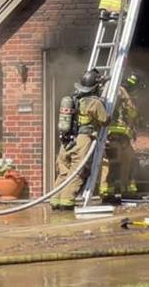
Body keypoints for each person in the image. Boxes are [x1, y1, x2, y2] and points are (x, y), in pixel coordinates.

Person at [50, 69, 108, 210]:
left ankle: (55, 200)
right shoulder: (94, 103)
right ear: (96, 87)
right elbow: (104, 120)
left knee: (64, 171)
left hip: (66, 140)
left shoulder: (73, 99)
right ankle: (66, 202)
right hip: (82, 140)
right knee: (78, 171)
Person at [99, 72, 143, 199]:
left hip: (115, 136)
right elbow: (132, 111)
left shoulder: (111, 90)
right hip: (115, 136)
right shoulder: (120, 91)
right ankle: (109, 192)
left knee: (120, 162)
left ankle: (120, 191)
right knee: (113, 164)